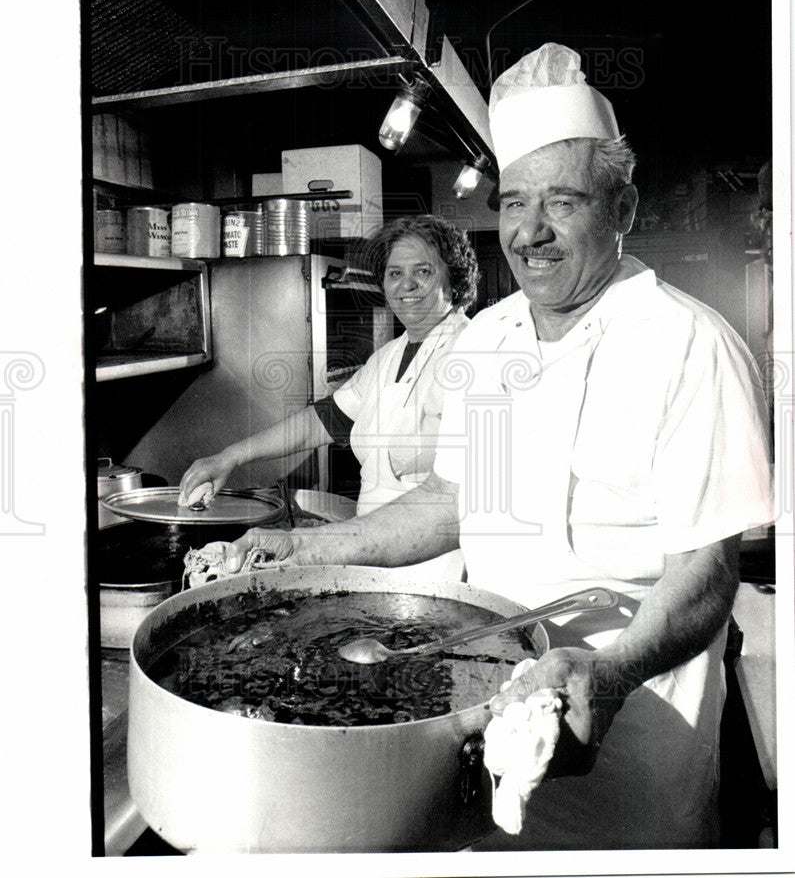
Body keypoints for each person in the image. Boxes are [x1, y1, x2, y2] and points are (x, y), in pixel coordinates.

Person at [219, 43, 774, 849]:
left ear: (621, 209)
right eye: (514, 204)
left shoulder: (688, 344)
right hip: (485, 699)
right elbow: (454, 503)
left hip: (632, 723)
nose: (530, 232)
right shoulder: (488, 340)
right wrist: (298, 555)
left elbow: (706, 565)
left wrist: (612, 677)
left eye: (563, 202)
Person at [179, 214, 479, 577]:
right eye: (395, 273)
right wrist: (230, 457)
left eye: (424, 271)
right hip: (367, 553)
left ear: (454, 279)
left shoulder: (474, 352)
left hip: (441, 565)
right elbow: (322, 421)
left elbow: (462, 502)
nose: (407, 285)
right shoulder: (389, 356)